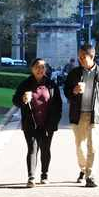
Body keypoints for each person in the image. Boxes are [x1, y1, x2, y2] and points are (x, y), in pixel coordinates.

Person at [63, 43, 99, 188]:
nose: (80, 59)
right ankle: (83, 169)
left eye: (83, 57)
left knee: (92, 146)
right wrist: (73, 91)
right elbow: (66, 91)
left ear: (91, 57)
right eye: (79, 57)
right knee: (79, 147)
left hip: (95, 115)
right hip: (77, 114)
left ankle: (90, 176)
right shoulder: (74, 73)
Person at [12, 58, 63, 187]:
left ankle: (44, 174)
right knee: (32, 149)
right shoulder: (25, 84)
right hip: (30, 122)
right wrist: (23, 99)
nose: (40, 70)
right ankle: (31, 177)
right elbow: (15, 100)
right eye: (37, 67)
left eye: (43, 67)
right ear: (32, 69)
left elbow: (58, 105)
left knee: (45, 149)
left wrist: (55, 121)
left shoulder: (51, 84)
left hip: (47, 123)